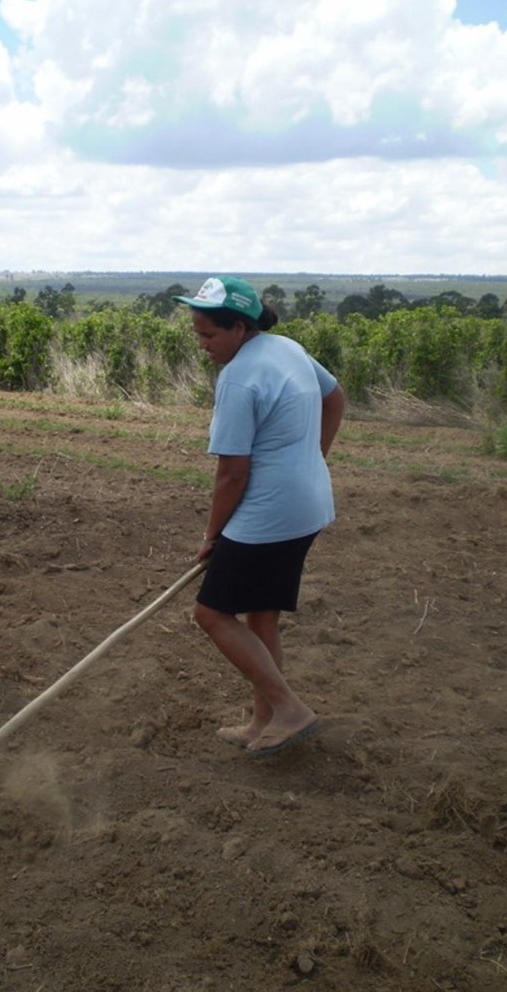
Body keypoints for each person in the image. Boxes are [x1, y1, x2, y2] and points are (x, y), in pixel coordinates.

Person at [174, 275, 345, 758]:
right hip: (307, 505)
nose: (203, 346)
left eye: (209, 336)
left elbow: (231, 473)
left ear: (240, 329)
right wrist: (312, 459)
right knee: (261, 613)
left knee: (210, 613)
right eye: (198, 334)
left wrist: (212, 534)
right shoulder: (286, 348)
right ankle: (262, 722)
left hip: (269, 515)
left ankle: (288, 707)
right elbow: (336, 397)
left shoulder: (240, 378)